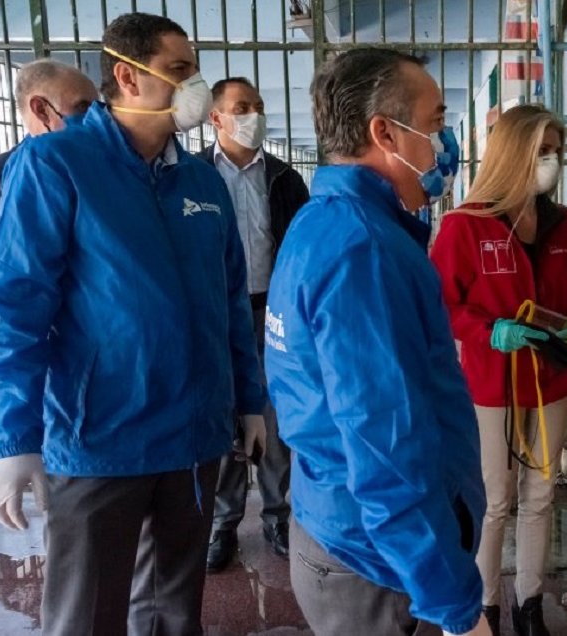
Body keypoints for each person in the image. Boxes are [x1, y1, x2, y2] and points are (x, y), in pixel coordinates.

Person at [0, 12, 267, 635]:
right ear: (127, 78)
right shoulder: (57, 163)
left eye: (193, 69)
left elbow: (229, 302)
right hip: (101, 437)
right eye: (178, 70)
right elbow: (16, 306)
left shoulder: (201, 182)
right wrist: (12, 437)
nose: (194, 85)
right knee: (87, 614)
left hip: (192, 436)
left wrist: (247, 400)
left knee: (173, 610)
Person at [264, 48, 490, 636]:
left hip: (342, 525)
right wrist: (454, 604)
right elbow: (384, 444)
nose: (445, 144)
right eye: (436, 124)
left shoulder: (326, 221)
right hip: (377, 563)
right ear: (384, 133)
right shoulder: (364, 250)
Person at [429, 104, 567, 636]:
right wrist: (488, 331)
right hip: (492, 385)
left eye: (556, 151)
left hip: (552, 381)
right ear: (512, 152)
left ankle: (529, 605)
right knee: (494, 499)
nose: (551, 161)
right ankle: (485, 608)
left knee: (540, 495)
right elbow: (442, 305)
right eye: (541, 150)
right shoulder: (466, 225)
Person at [197, 76, 309, 568]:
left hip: (271, 312)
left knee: (274, 417)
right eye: (242, 107)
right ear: (215, 117)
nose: (254, 116)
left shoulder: (285, 179)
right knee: (221, 418)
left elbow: (301, 250)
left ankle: (277, 515)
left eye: (258, 106)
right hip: (214, 313)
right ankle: (222, 524)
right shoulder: (193, 175)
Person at [0, 59, 97, 253]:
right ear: (41, 110)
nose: (96, 117)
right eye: (82, 108)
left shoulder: (103, 158)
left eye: (98, 108)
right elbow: (20, 253)